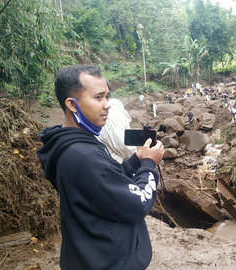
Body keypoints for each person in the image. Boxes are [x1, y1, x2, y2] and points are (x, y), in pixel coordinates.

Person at [36, 65, 165, 270]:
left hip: (90, 256)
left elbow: (102, 182)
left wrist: (135, 160)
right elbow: (139, 203)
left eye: (107, 97)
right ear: (72, 104)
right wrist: (149, 164)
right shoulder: (82, 156)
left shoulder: (71, 144)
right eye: (98, 98)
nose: (107, 105)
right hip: (108, 262)